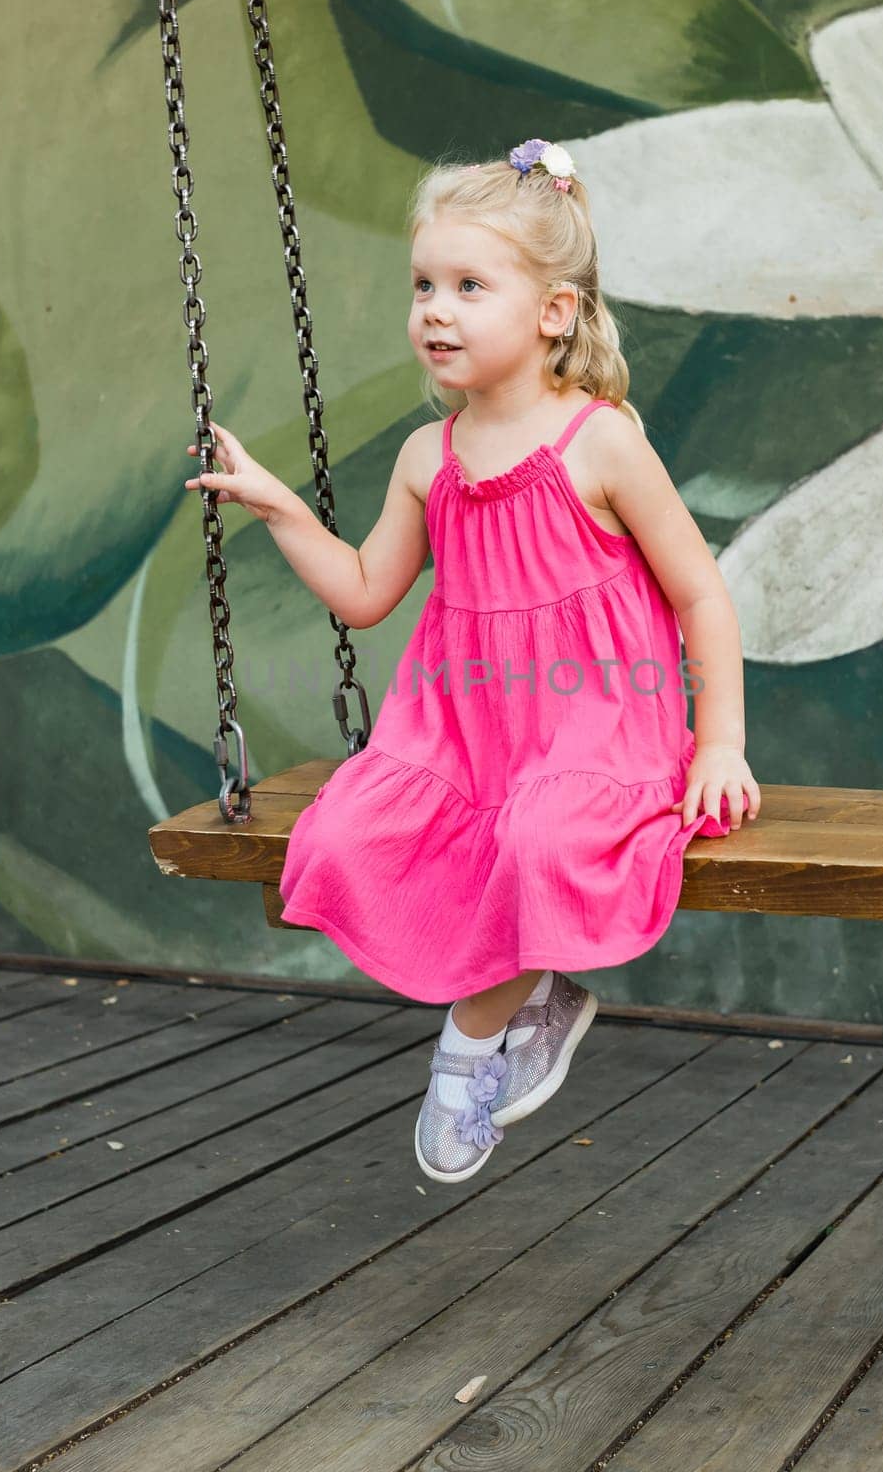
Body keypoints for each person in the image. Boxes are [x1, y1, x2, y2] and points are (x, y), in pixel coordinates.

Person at [183, 136, 760, 1186]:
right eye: (424, 286)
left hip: (595, 728)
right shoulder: (425, 457)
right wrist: (279, 507)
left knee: (538, 838)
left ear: (553, 312)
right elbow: (364, 592)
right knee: (349, 833)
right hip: (465, 731)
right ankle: (536, 993)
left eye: (468, 286)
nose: (435, 310)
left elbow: (698, 592)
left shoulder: (601, 442)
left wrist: (718, 738)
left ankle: (473, 1039)